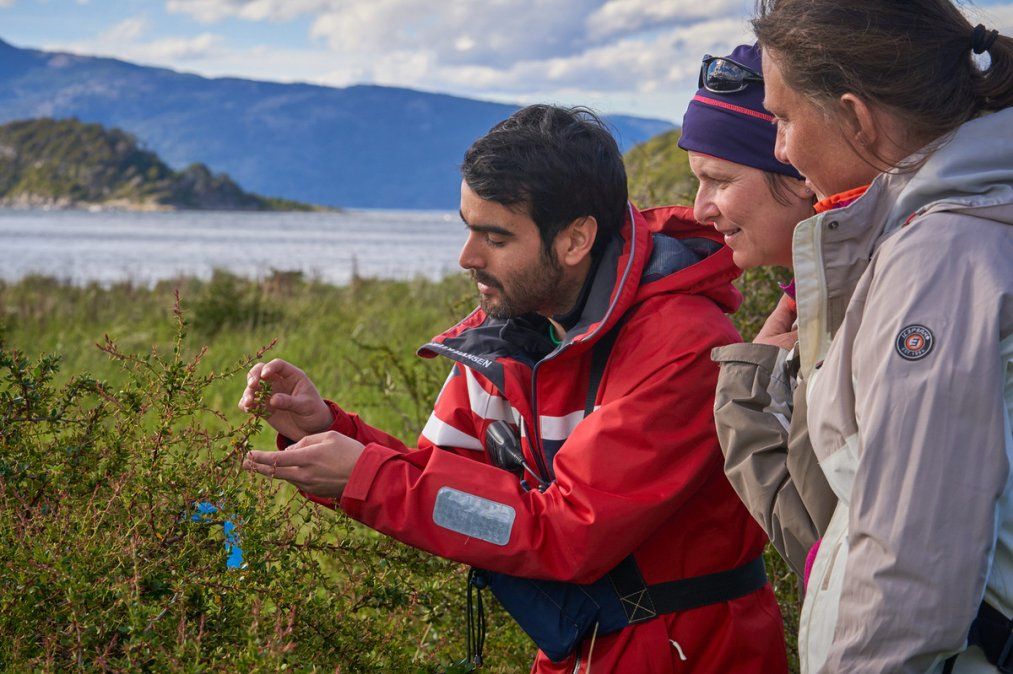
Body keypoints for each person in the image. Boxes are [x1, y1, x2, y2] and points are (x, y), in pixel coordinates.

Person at [239, 104, 789, 672]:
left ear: (575, 240)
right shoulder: (505, 338)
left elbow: (567, 533)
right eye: (468, 228)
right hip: (579, 652)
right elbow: (444, 488)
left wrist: (365, 476)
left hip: (690, 655)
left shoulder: (680, 345)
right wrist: (329, 431)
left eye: (496, 238)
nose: (466, 258)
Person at [752, 1, 1013, 671]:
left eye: (782, 118)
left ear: (855, 116)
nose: (778, 148)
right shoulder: (978, 219)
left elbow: (910, 561)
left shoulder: (942, 257)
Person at [677, 42, 838, 579]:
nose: (701, 209)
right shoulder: (828, 298)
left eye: (719, 180)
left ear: (797, 171)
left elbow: (822, 550)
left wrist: (747, 395)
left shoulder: (863, 306)